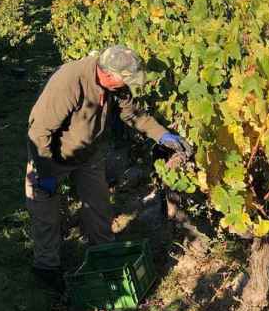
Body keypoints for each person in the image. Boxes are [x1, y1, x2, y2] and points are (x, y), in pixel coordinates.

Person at [25, 45, 191, 291]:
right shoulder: (69, 82)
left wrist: (163, 135)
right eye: (124, 81)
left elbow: (134, 115)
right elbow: (39, 132)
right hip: (52, 155)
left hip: (90, 153)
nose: (127, 86)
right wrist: (45, 173)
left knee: (99, 207)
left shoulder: (117, 85)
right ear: (108, 74)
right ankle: (47, 267)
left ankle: (104, 259)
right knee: (45, 211)